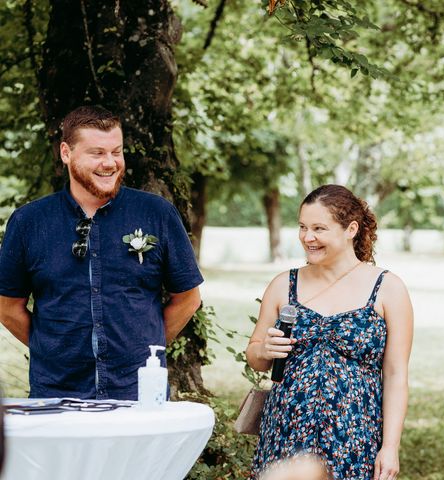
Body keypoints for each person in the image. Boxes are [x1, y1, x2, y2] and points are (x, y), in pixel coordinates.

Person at [0, 105, 203, 400]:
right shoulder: (29, 222)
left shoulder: (157, 214)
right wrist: (53, 349)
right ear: (66, 153)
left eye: (116, 152)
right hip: (58, 395)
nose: (110, 163)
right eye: (97, 153)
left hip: (139, 394)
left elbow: (188, 299)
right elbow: (7, 308)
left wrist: (146, 347)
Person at [246, 184, 413, 480]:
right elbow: (256, 357)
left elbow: (396, 374)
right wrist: (263, 350)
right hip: (286, 433)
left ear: (350, 229)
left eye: (319, 229)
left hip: (355, 437)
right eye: (302, 227)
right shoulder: (283, 284)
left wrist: (390, 446)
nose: (307, 238)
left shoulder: (388, 289)